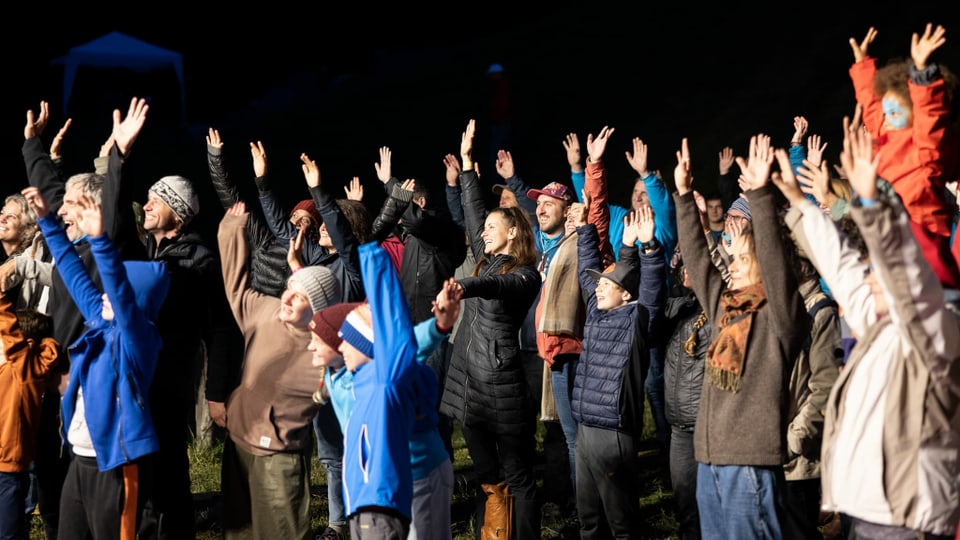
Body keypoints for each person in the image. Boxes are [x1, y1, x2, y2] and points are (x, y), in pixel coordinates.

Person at [772, 123, 960, 539]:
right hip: (866, 509)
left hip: (906, 517)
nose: (869, 279)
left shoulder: (935, 333)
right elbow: (843, 266)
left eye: (880, 275)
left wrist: (870, 203)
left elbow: (897, 268)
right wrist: (801, 202)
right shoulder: (881, 325)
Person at [22, 98, 148, 540]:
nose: (63, 210)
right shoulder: (80, 263)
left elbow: (108, 230)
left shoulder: (106, 250)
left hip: (112, 452)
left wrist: (118, 158)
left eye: (74, 204)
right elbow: (58, 231)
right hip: (72, 411)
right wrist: (34, 148)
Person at [673, 134, 808, 538]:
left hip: (749, 463)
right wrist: (682, 196)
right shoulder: (726, 308)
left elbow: (771, 255)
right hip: (710, 459)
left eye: (744, 259)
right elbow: (699, 264)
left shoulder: (780, 313)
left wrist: (762, 194)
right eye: (734, 257)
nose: (734, 264)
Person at [24, 184, 170, 540]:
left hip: (119, 466)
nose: (103, 294)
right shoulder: (99, 322)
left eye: (115, 293)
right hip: (81, 460)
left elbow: (118, 291)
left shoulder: (139, 339)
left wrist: (101, 240)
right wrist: (46, 219)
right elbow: (72, 271)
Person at [439, 119, 542, 540]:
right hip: (468, 385)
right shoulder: (487, 256)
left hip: (501, 387)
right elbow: (472, 211)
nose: (483, 233)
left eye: (492, 229)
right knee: (486, 474)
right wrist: (466, 164)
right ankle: (492, 532)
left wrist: (464, 284)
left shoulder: (524, 274)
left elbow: (493, 285)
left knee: (517, 474)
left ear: (513, 231)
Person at [217, 200, 340, 540]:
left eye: (297, 297)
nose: (286, 298)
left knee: (280, 534)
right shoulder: (266, 311)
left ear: (316, 309)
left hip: (280, 457)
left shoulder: (324, 353)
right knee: (238, 531)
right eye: (288, 290)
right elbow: (235, 286)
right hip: (238, 443)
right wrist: (231, 232)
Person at [134, 170, 243, 540]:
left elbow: (221, 329)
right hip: (142, 378)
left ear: (177, 215)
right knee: (147, 470)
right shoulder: (150, 252)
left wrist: (216, 393)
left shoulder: (199, 260)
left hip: (170, 380)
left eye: (157, 200)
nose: (147, 204)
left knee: (168, 473)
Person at [573, 201, 665, 538]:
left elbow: (651, 291)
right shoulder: (598, 313)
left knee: (622, 523)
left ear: (625, 295)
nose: (598, 288)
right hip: (585, 427)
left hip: (613, 433)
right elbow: (589, 272)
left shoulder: (637, 320)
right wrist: (588, 230)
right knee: (589, 519)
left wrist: (649, 247)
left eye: (605, 285)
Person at [847, 23, 960, 289]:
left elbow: (931, 118)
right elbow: (871, 106)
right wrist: (863, 64)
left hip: (924, 254)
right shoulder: (884, 135)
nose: (886, 119)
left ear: (913, 119)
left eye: (895, 113)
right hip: (888, 250)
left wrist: (922, 74)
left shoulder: (925, 151)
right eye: (886, 113)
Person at [338, 242, 420, 538]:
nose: (340, 345)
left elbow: (396, 334)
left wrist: (374, 258)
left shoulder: (385, 381)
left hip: (379, 509)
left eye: (347, 338)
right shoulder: (362, 384)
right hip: (362, 507)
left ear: (366, 344)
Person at [0, 290, 58, 539]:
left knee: (8, 533)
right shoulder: (12, 371)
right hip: (8, 469)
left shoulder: (24, 372)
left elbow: (10, 329)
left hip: (8, 471)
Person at [662, 246, 709, 540]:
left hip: (706, 426)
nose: (687, 270)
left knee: (709, 505)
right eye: (684, 266)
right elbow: (655, 298)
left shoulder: (718, 312)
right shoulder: (679, 307)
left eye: (695, 265)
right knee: (684, 503)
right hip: (678, 427)